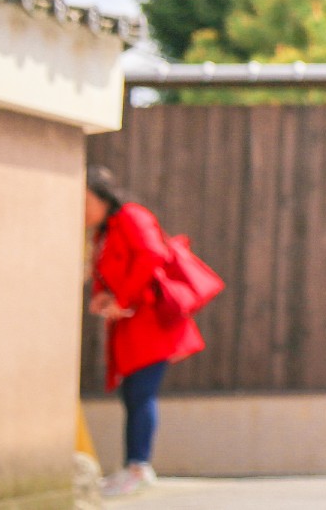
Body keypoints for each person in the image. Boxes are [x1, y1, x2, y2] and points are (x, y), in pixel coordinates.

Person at [85, 166, 204, 499]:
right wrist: (102, 297)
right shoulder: (104, 230)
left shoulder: (130, 217)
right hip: (131, 323)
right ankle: (134, 465)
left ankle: (139, 466)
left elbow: (152, 254)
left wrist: (121, 298)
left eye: (84, 199)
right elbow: (107, 271)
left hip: (152, 322)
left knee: (140, 393)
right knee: (133, 393)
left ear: (100, 196)